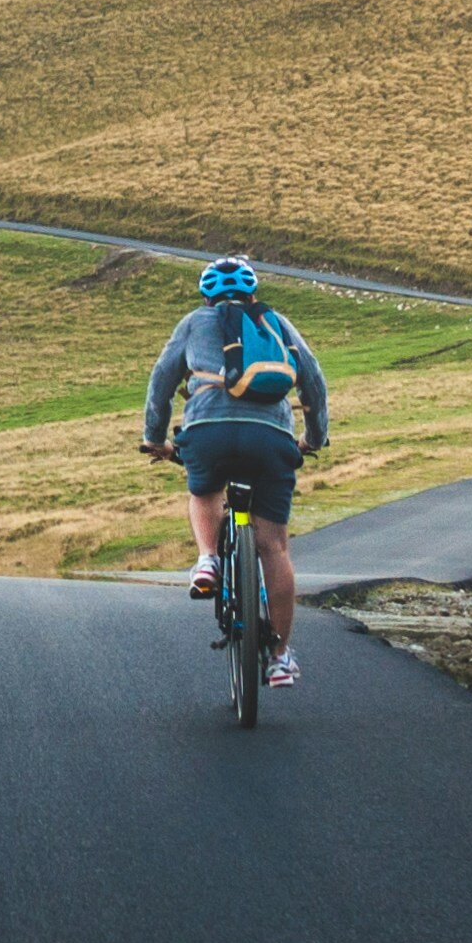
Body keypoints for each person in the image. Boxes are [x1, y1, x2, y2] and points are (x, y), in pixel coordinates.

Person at [141, 255, 328, 691]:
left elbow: (162, 381)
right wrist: (313, 440)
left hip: (209, 431)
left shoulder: (194, 322)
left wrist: (155, 438)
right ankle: (280, 658)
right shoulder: (277, 323)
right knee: (274, 548)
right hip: (271, 437)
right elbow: (313, 382)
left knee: (204, 489)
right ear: (253, 293)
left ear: (207, 296)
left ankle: (208, 559)